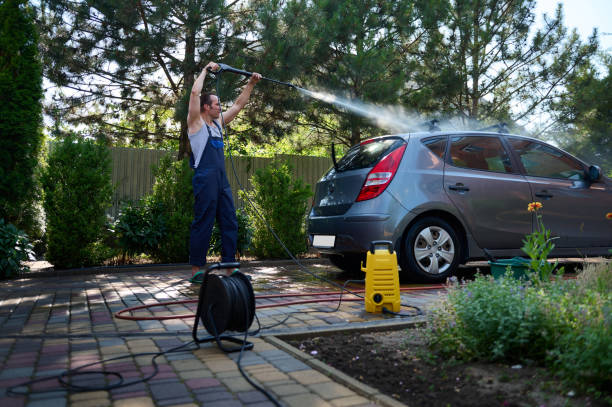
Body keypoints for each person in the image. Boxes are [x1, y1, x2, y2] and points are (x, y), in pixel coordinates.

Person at [187, 61, 261, 276]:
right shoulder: (195, 123)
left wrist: (251, 84)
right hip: (205, 179)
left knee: (230, 220)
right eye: (216, 104)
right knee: (204, 223)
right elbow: (194, 93)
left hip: (221, 181)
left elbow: (238, 105)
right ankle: (196, 271)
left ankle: (229, 268)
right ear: (206, 107)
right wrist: (204, 71)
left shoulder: (218, 124)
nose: (220, 107)